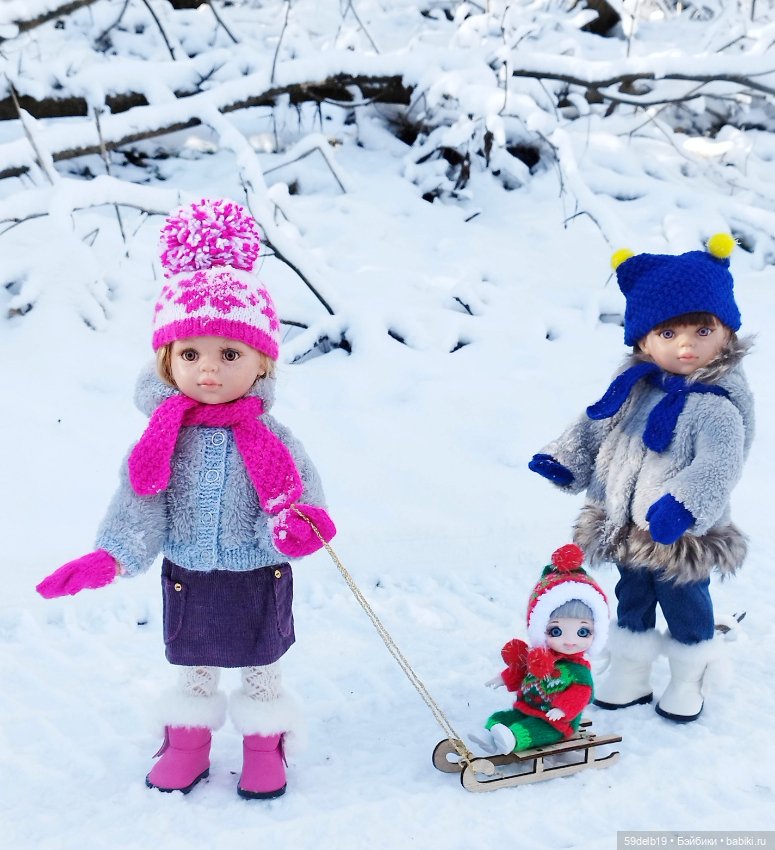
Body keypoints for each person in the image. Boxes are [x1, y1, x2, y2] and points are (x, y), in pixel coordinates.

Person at [36, 199, 336, 799]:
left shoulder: (276, 440)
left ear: (261, 363)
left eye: (230, 355)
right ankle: (188, 744)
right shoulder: (160, 440)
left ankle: (264, 744)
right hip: (188, 574)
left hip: (258, 572)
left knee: (260, 667)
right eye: (191, 354)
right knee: (194, 666)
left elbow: (304, 496)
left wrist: (301, 527)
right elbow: (140, 504)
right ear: (168, 361)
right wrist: (113, 554)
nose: (208, 371)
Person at [528, 234, 754, 723]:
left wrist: (682, 507)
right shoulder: (633, 389)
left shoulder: (717, 408)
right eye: (669, 335)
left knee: (683, 600)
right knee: (633, 596)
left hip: (680, 531)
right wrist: (568, 458)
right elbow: (596, 425)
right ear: (643, 341)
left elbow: (718, 467)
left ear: (727, 333)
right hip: (625, 523)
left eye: (701, 330)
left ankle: (689, 675)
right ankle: (630, 672)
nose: (687, 345)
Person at [477, 544, 609, 754]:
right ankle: (493, 735)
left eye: (583, 632)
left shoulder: (577, 671)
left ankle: (512, 739)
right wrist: (504, 678)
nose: (569, 641)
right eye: (556, 631)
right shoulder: (538, 658)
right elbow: (521, 670)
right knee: (501, 717)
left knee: (532, 729)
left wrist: (562, 709)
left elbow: (582, 693)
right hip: (527, 709)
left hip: (557, 722)